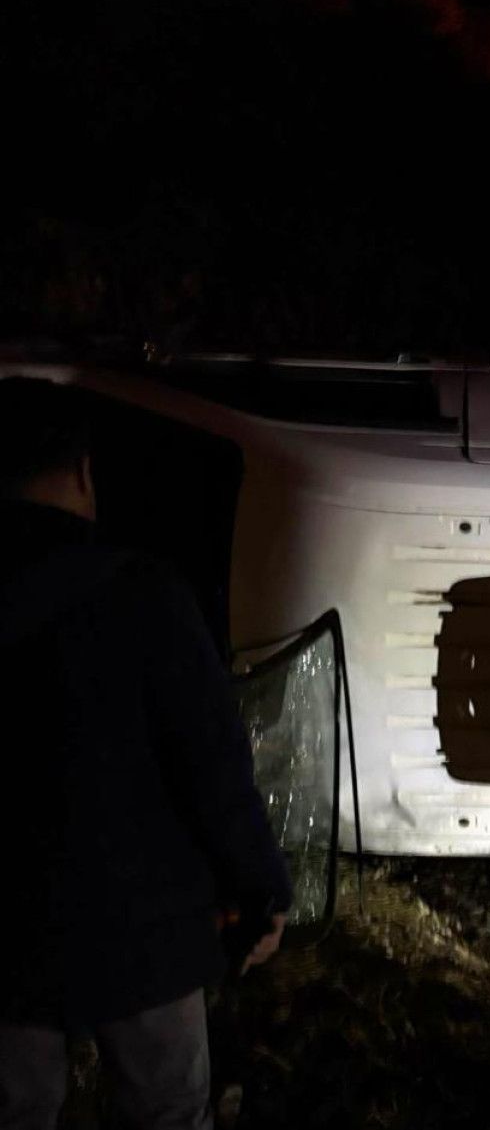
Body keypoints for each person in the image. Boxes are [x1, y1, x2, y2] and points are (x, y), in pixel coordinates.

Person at [0, 377, 291, 1130]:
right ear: (83, 474)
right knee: (167, 1111)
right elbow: (214, 767)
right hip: (144, 931)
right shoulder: (143, 594)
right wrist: (260, 888)